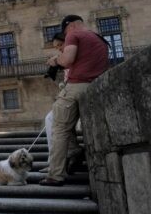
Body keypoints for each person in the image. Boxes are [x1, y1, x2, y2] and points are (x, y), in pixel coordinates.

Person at [40, 15, 109, 186]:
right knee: (64, 124)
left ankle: (55, 175)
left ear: (70, 26)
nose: (65, 35)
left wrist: (55, 60)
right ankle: (75, 151)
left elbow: (67, 60)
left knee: (58, 128)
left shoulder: (73, 34)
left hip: (77, 86)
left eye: (65, 31)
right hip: (96, 86)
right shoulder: (99, 39)